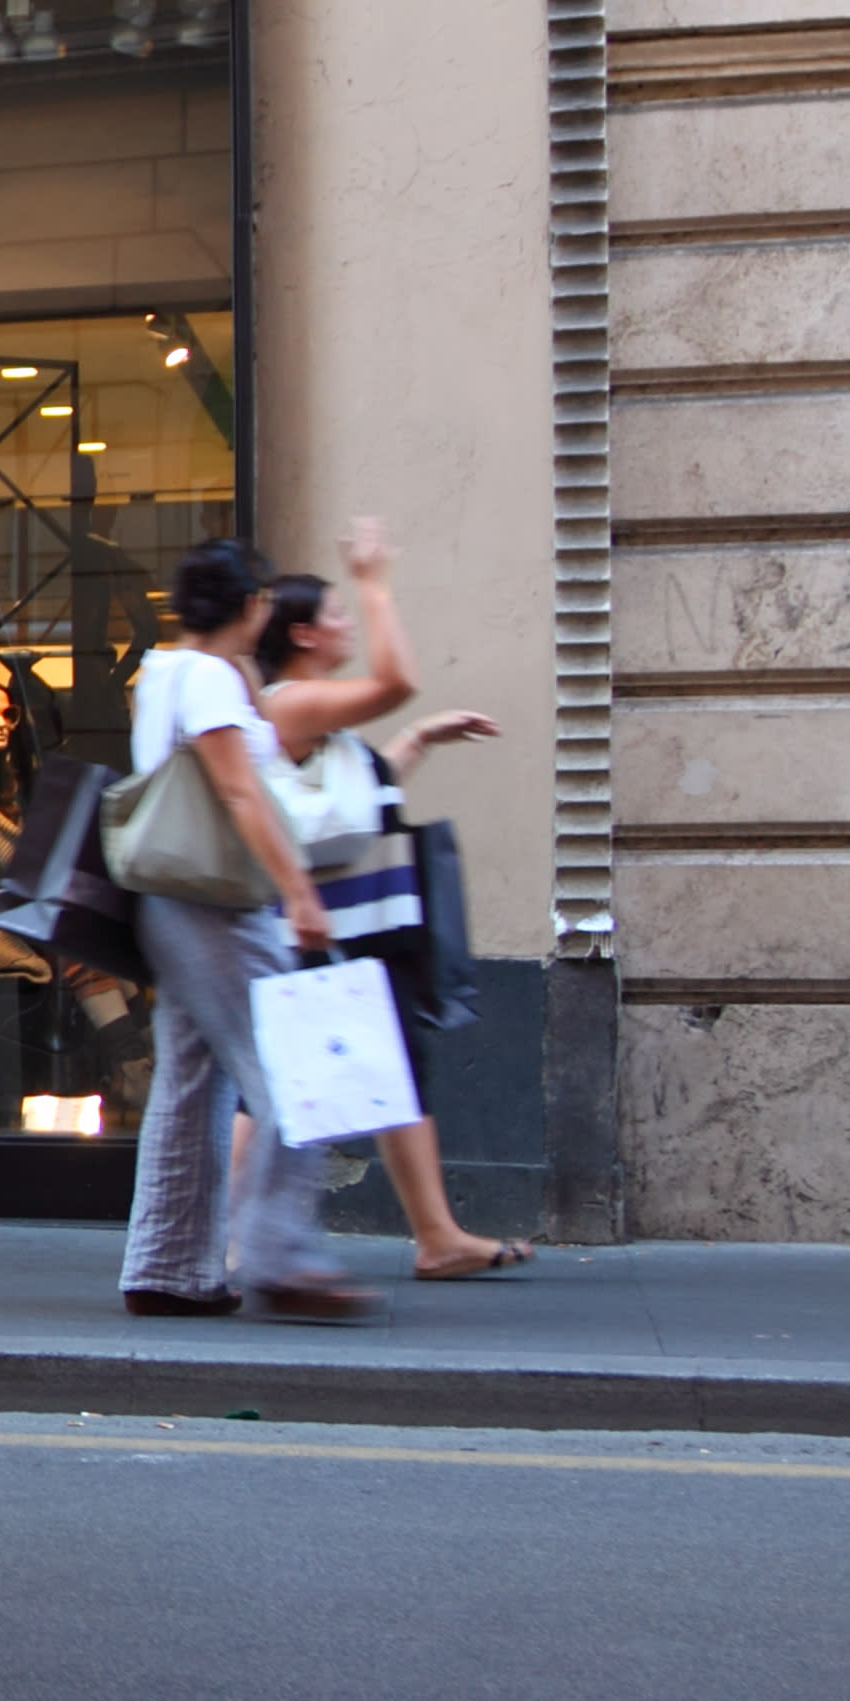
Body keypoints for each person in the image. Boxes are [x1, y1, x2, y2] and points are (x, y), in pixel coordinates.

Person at [253, 529, 527, 1279]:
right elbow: (398, 679)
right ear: (304, 634)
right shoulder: (294, 702)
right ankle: (233, 1236)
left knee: (391, 1070)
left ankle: (436, 1234)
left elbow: (346, 809)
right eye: (338, 615)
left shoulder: (319, 724)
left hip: (354, 930)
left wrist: (415, 742)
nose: (349, 626)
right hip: (321, 931)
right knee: (275, 1087)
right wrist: (375, 581)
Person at [115, 538, 368, 1325]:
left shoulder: (166, 672)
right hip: (218, 903)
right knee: (298, 1073)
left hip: (172, 900)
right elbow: (239, 793)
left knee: (192, 1084)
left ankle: (168, 1266)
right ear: (253, 605)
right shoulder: (211, 680)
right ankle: (277, 1256)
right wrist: (299, 890)